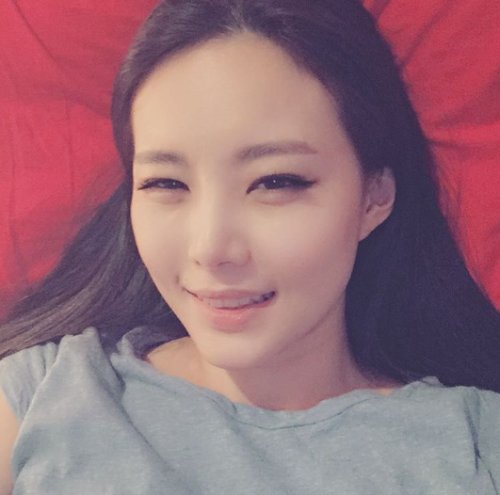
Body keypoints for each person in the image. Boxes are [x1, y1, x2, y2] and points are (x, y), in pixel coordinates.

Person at [0, 0, 499, 493]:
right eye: (165, 183)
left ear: (374, 196)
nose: (211, 248)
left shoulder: (475, 444)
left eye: (276, 182)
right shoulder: (39, 394)